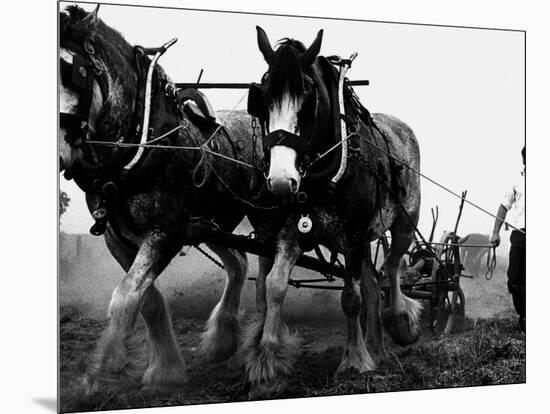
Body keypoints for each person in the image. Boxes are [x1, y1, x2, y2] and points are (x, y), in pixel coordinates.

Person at [490, 146, 525, 332]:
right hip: (519, 236)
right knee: (514, 280)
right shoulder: (516, 184)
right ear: (524, 161)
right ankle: (523, 315)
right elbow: (504, 207)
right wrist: (495, 232)